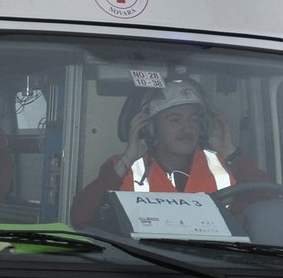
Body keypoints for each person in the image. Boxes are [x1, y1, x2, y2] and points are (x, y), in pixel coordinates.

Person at [70, 78, 266, 226]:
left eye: (194, 120)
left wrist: (230, 151)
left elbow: (275, 211)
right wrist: (128, 158)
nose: (187, 129)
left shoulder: (225, 166)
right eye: (175, 120)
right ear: (151, 128)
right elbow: (80, 218)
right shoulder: (121, 168)